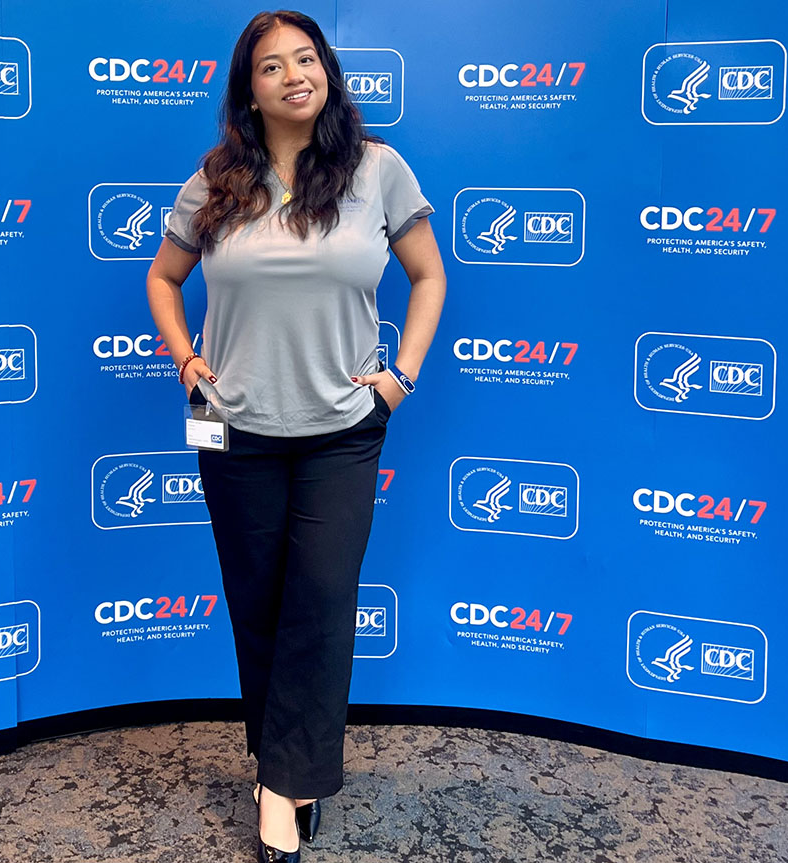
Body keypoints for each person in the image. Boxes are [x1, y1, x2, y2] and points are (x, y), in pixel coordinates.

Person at [146, 10, 445, 861]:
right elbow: (165, 279)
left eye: (306, 58)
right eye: (272, 65)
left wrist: (401, 375)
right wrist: (185, 358)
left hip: (342, 430)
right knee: (260, 603)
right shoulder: (216, 180)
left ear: (327, 71)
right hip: (233, 427)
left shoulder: (376, 169)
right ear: (251, 88)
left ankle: (283, 787)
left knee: (320, 600)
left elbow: (428, 276)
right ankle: (279, 759)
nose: (294, 74)